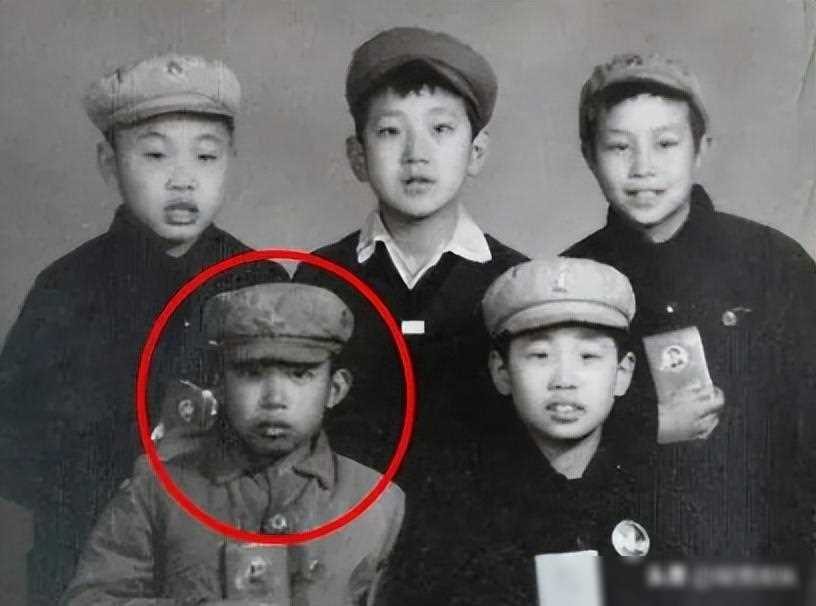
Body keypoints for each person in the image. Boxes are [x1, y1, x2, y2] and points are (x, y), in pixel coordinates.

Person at [0, 53, 287, 603]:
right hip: (84, 551)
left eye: (206, 156)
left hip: (221, 559)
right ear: (109, 163)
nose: (183, 179)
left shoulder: (260, 282)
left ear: (231, 161)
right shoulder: (66, 288)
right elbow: (12, 443)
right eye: (155, 154)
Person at [292, 27, 528, 601]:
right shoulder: (320, 279)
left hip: (483, 568)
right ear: (357, 155)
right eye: (389, 131)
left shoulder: (516, 284)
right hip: (345, 567)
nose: (416, 154)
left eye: (441, 130)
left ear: (477, 152)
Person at [564, 52, 816, 556]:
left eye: (665, 143)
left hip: (764, 553)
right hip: (625, 555)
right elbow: (547, 440)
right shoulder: (571, 280)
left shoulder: (774, 262)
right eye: (619, 146)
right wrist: (647, 424)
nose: (643, 168)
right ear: (589, 155)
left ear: (701, 149)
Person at [61, 282, 405, 606]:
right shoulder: (157, 491)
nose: (274, 399)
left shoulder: (378, 501)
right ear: (220, 385)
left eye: (300, 374)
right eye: (251, 373)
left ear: (335, 388)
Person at [446, 257, 648, 604]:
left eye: (588, 356)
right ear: (502, 371)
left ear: (622, 373)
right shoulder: (457, 516)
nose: (564, 380)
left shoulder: (660, 498)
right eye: (540, 355)